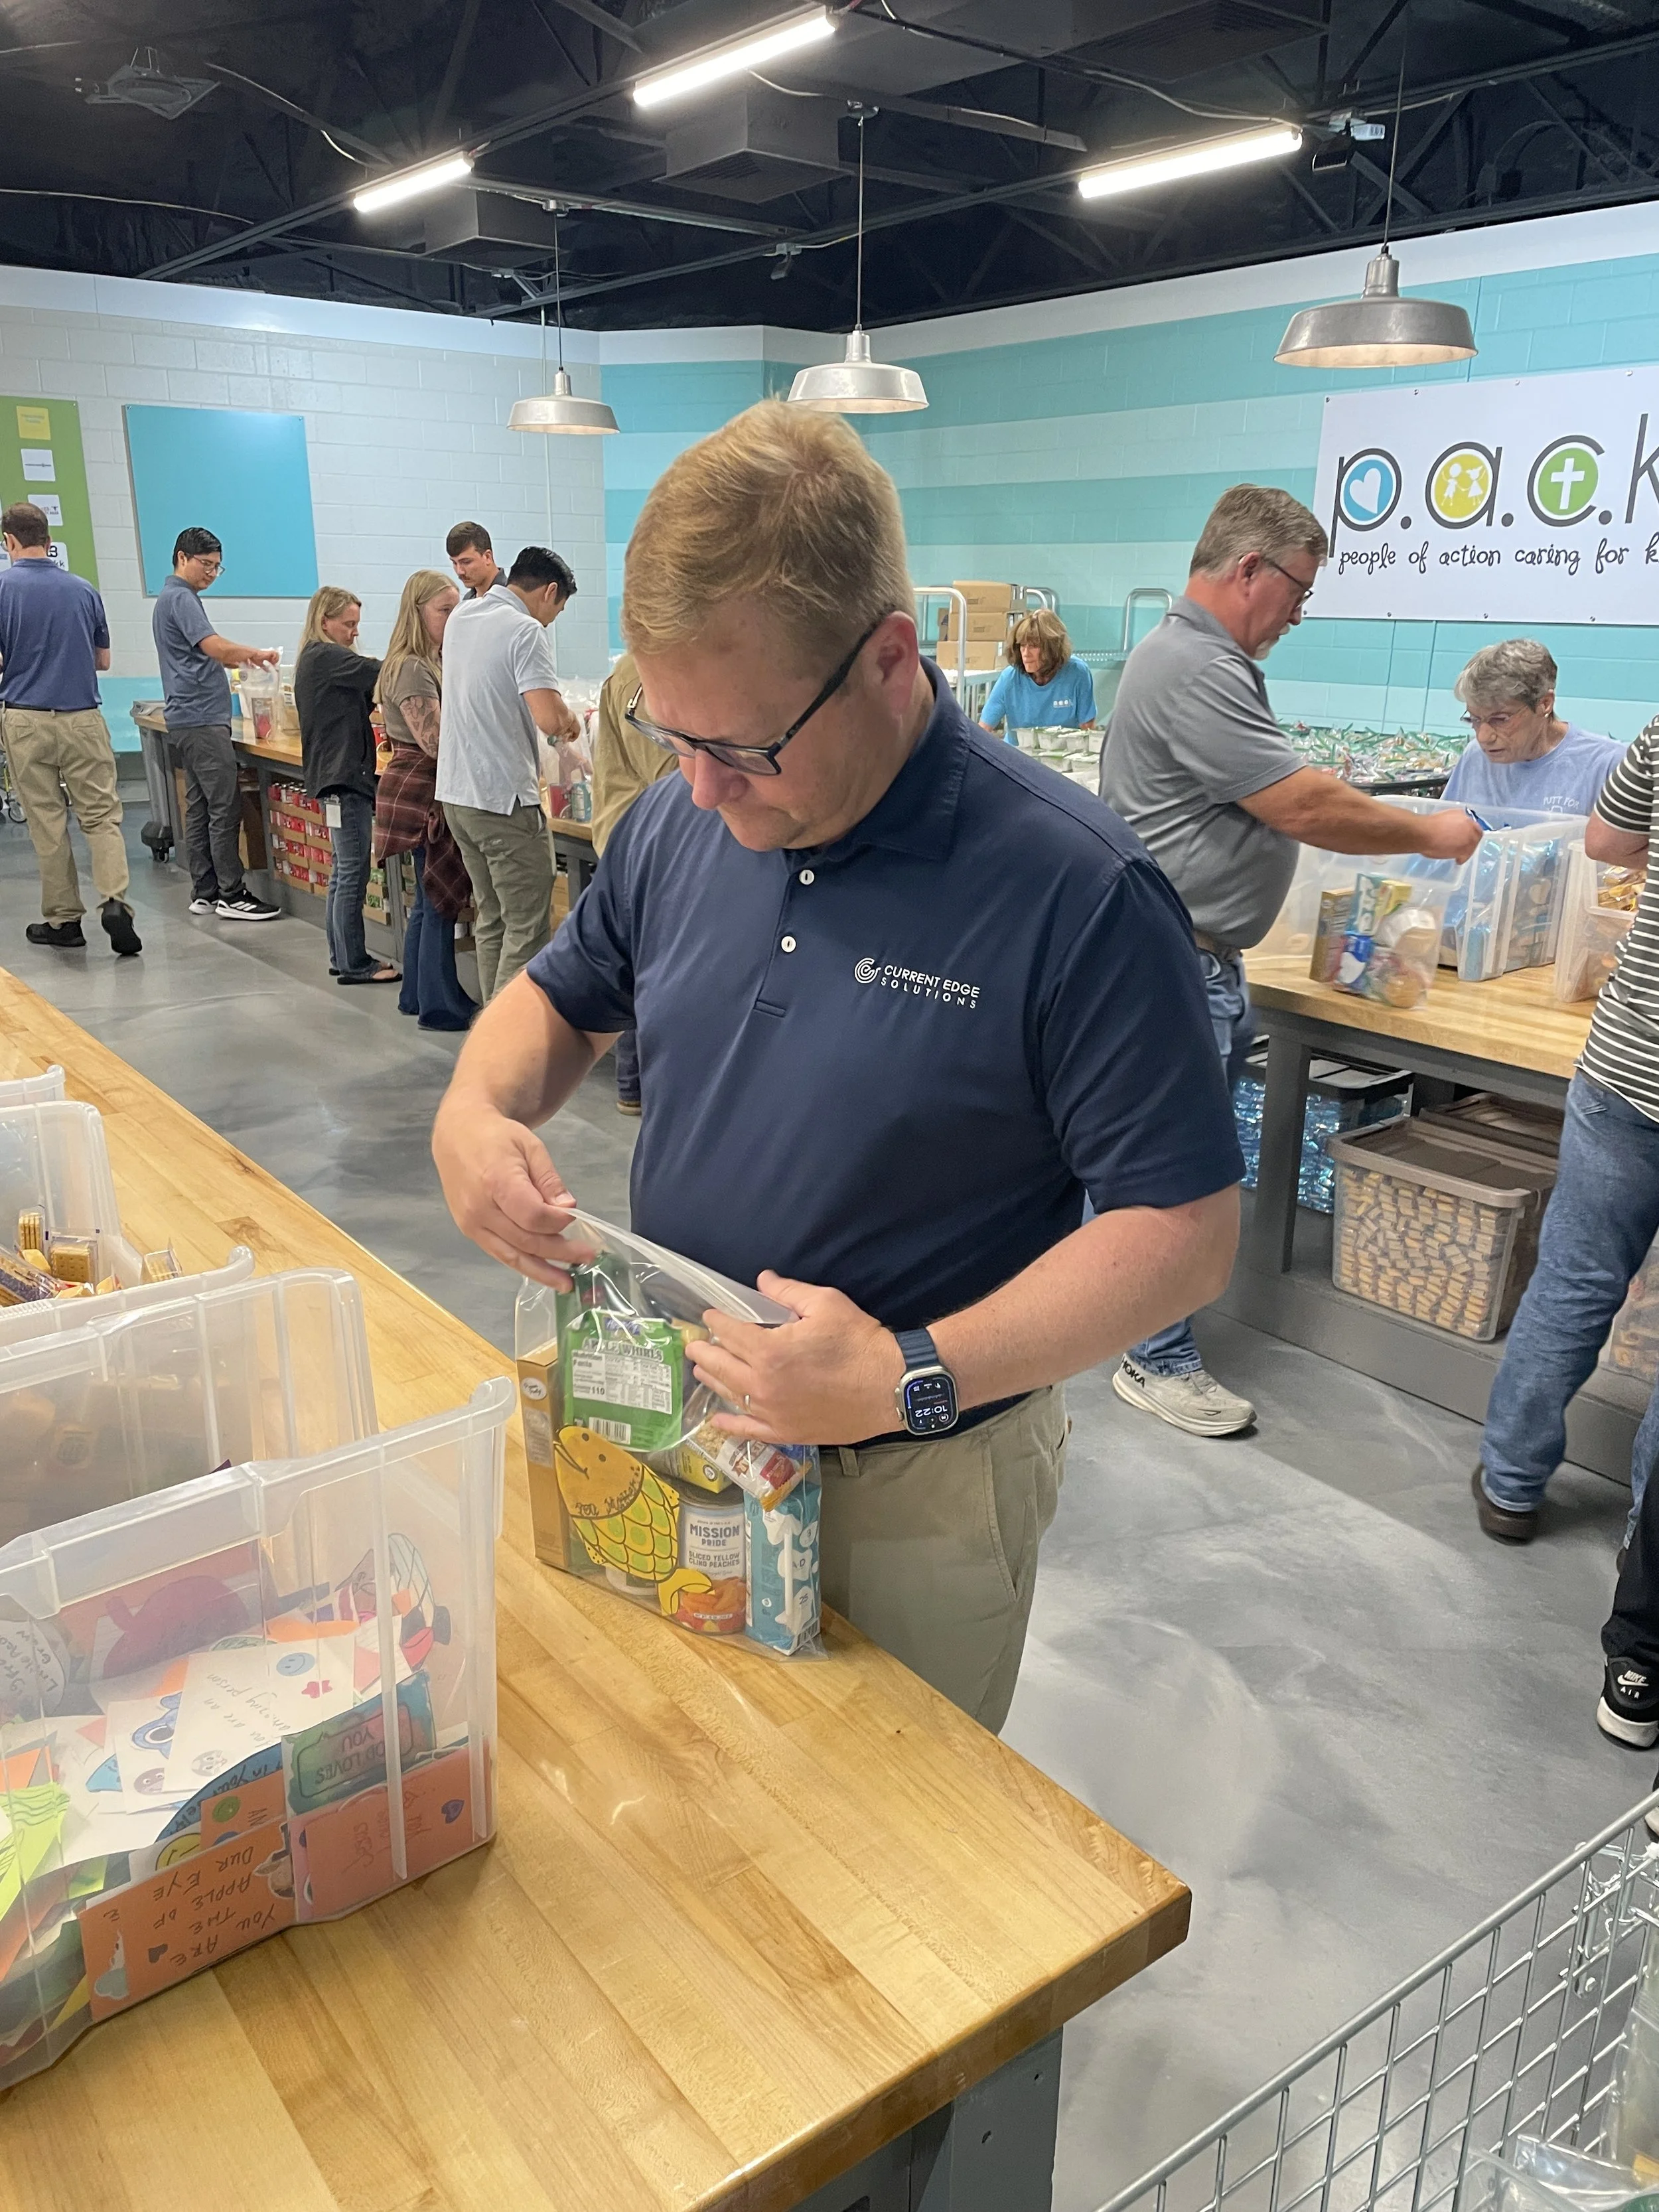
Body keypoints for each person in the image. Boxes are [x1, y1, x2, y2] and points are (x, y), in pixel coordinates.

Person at [431, 400, 1246, 1734]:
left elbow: (1182, 1234)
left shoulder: (1076, 892)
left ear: (886, 657)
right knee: (695, 1782)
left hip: (917, 1479)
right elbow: (558, 999)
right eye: (670, 734)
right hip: (682, 1417)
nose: (698, 790)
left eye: (741, 747)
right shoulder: (684, 820)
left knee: (894, 1880)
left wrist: (901, 1374)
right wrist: (473, 1109)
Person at [1100, 483, 1481, 1439]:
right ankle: (1157, 1356)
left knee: (1158, 1160)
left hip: (1195, 955)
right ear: (1248, 570)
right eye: (1299, 591)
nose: (1301, 614)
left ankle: (1121, 1320)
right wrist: (1431, 834)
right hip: (1175, 960)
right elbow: (1301, 804)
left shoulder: (1202, 661)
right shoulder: (1194, 663)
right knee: (1176, 1172)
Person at [1473, 719, 1659, 1547]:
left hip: (1628, 1060)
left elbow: (1609, 838)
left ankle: (1510, 1482)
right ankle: (1643, 1549)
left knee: (1575, 1279)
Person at [437, 546, 580, 1002]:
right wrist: (572, 723)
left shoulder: (463, 617)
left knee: (493, 917)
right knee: (527, 926)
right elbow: (550, 719)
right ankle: (504, 1051)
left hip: (458, 796)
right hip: (504, 800)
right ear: (550, 592)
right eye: (557, 610)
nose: (552, 620)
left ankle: (488, 1025)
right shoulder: (526, 631)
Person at [0, 501, 140, 958]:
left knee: (47, 821)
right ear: (49, 539)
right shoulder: (84, 590)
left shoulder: (3, 588)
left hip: (26, 718)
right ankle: (115, 900)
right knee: (101, 816)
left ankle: (64, 920)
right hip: (83, 716)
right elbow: (103, 660)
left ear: (9, 542)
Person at [152, 527, 281, 922]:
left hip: (191, 717)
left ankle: (205, 890)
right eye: (205, 565)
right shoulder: (180, 598)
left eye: (216, 567)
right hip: (201, 719)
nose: (211, 573)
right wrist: (258, 655)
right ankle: (231, 892)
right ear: (181, 558)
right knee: (224, 805)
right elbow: (217, 648)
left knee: (201, 805)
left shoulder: (174, 599)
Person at [373, 569, 476, 1031]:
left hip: (419, 782)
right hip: (423, 786)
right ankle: (439, 1004)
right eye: (444, 610)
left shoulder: (426, 660)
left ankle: (417, 992)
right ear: (418, 612)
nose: (453, 618)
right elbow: (435, 741)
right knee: (438, 895)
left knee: (426, 896)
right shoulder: (414, 666)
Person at [294, 585, 397, 987]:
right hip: (343, 775)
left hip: (332, 774)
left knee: (342, 870)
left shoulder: (315, 659)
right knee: (354, 870)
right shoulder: (327, 657)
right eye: (348, 624)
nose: (355, 632)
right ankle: (356, 962)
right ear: (326, 622)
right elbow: (382, 672)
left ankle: (341, 955)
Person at [590, 648, 674, 1114]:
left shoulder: (632, 672)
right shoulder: (648, 677)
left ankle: (634, 1083)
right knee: (653, 968)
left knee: (643, 963)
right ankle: (637, 1084)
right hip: (649, 842)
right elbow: (674, 777)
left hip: (631, 834)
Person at [1443, 640, 1623, 818]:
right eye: (1474, 719)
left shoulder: (1607, 765)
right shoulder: (1476, 756)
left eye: (1500, 719)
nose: (1484, 737)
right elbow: (1442, 835)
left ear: (1544, 704)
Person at [979, 611, 1096, 737]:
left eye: (1034, 646)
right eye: (1023, 645)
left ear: (1053, 648)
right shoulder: (1010, 678)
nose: (1026, 653)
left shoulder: (1078, 673)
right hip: (1018, 753)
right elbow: (983, 729)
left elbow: (1087, 729)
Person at [445, 522, 503, 600]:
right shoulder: (467, 600)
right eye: (454, 563)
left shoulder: (512, 596)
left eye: (466, 562)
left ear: (487, 557)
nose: (460, 571)